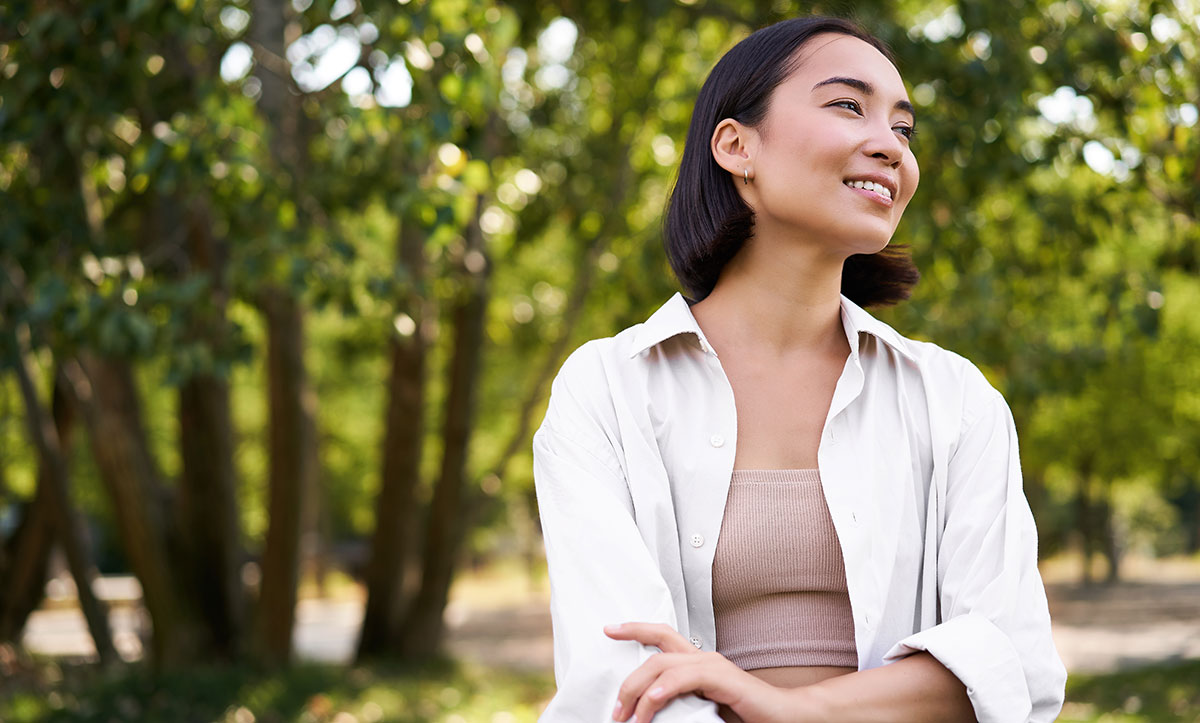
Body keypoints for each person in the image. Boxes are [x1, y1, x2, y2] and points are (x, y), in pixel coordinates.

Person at [532, 15, 1065, 723]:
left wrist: (791, 707)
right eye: (849, 105)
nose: (890, 146)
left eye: (903, 130)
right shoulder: (606, 389)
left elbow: (1011, 665)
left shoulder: (955, 399)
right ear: (736, 145)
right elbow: (623, 682)